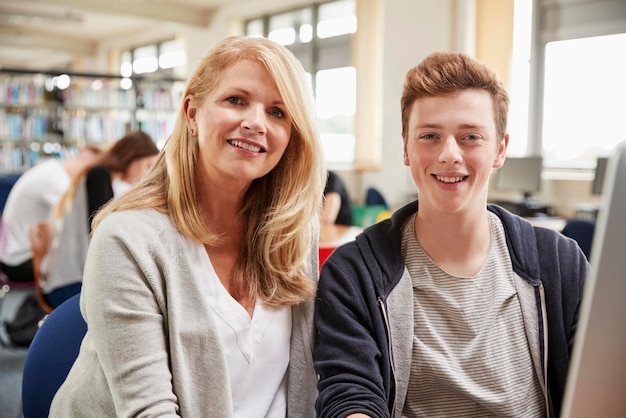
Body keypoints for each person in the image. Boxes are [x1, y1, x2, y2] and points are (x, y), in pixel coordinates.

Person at [50, 35, 325, 417]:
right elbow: (151, 412)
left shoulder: (295, 231)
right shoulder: (128, 240)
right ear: (192, 114)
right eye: (236, 100)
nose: (255, 123)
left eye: (278, 112)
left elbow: (303, 387)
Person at [313, 52, 589, 417]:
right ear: (406, 148)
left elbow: (594, 382)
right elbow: (349, 394)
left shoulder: (559, 261)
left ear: (500, 149)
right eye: (429, 136)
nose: (448, 155)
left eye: (470, 136)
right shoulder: (354, 272)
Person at [42, 131, 159, 307]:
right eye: (147, 165)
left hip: (73, 279)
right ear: (132, 157)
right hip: (71, 284)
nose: (146, 174)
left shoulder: (102, 175)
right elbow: (101, 229)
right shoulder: (99, 175)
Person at [0, 146, 102, 283]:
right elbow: (76, 218)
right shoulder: (56, 180)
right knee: (86, 267)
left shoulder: (51, 170)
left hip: (18, 254)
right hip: (20, 261)